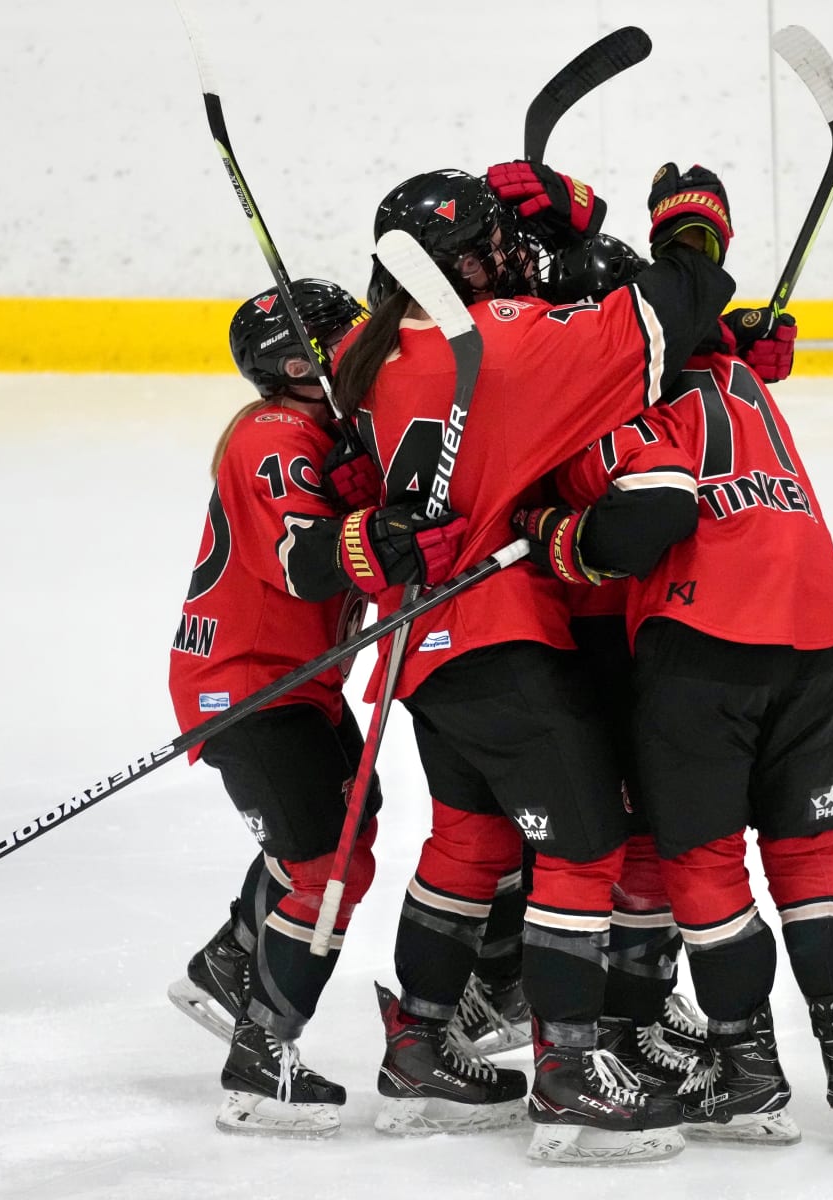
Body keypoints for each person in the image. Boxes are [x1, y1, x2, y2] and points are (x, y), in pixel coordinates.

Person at [331, 160, 736, 1162]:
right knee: (589, 841)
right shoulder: (502, 345)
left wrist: (561, 255)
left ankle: (418, 1049)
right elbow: (659, 320)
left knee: (469, 845)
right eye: (494, 242)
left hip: (423, 651)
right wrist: (686, 233)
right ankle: (568, 1074)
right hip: (501, 636)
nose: (515, 253)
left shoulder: (362, 355)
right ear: (458, 263)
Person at [516, 231, 833, 1151]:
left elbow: (642, 525)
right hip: (820, 633)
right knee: (809, 855)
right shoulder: (742, 376)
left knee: (704, 861)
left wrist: (542, 523)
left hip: (703, 645)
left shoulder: (620, 407)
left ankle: (746, 1068)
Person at [166, 278, 464, 1137]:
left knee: (348, 825)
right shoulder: (274, 436)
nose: (364, 347)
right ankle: (260, 1064)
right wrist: (388, 528)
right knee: (329, 869)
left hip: (297, 681)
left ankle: (228, 964)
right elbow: (306, 562)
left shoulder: (320, 430)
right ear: (298, 362)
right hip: (249, 685)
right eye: (344, 339)